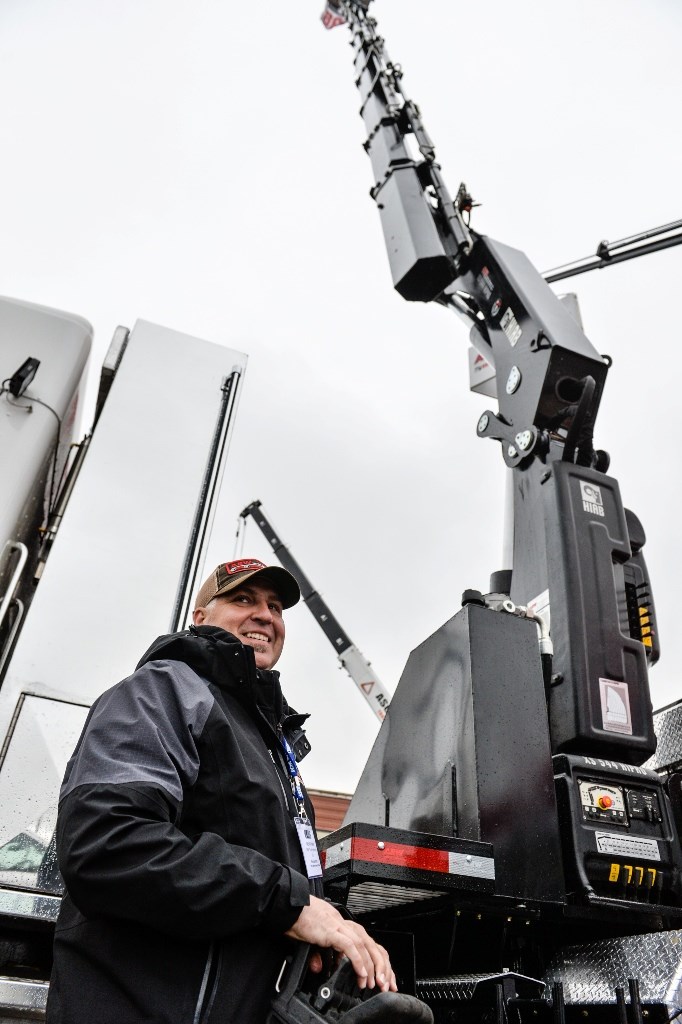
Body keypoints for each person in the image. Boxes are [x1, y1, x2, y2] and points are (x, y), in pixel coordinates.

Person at [46, 557, 396, 1024]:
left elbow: (277, 886)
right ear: (201, 616)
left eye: (275, 606)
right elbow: (107, 843)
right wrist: (289, 905)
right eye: (243, 599)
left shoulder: (274, 745)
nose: (265, 616)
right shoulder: (162, 691)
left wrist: (328, 925)